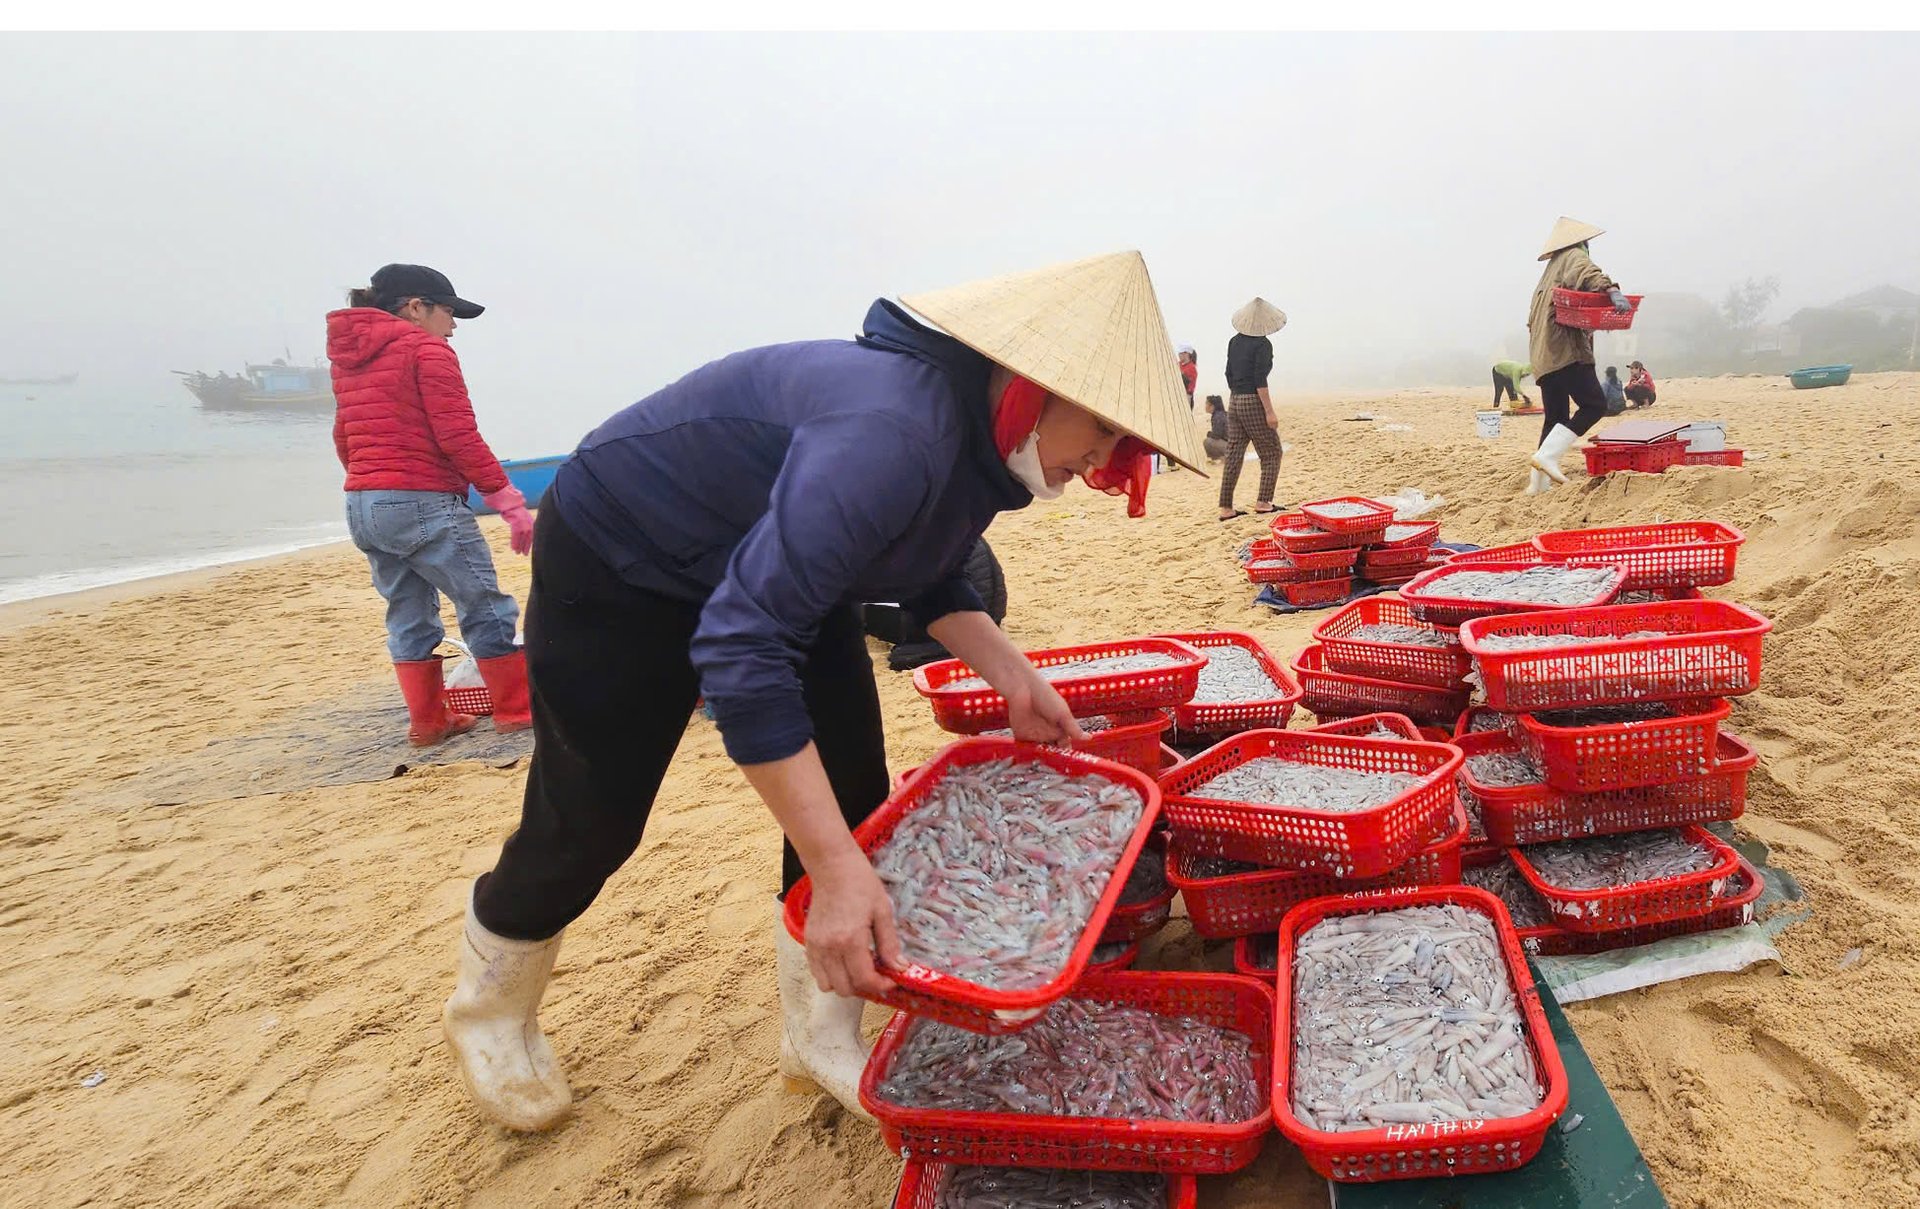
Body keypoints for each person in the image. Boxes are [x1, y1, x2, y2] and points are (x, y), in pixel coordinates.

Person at [440, 251, 1203, 1132]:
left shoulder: (981, 437)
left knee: (850, 798)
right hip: (628, 552)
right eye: (1101, 427)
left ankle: (815, 1033)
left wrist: (1016, 678)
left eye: (1123, 443)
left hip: (774, 564)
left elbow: (931, 568)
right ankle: (489, 1007)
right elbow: (743, 647)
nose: (1105, 458)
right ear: (1032, 384)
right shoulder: (892, 431)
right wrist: (837, 874)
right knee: (593, 817)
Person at [328, 264, 536, 745]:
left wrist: (374, 486)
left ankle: (427, 722)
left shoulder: (348, 359)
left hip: (362, 502)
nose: (454, 325)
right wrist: (505, 498)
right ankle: (515, 710)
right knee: (482, 602)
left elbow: (343, 436)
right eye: (448, 311)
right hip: (421, 498)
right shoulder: (427, 350)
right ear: (415, 307)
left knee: (407, 612)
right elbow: (457, 434)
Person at [1524, 217, 1634, 494]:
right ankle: (1548, 456)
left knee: (1556, 418)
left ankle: (1538, 483)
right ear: (1579, 242)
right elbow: (1587, 273)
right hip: (1565, 351)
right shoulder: (1572, 256)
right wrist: (1612, 290)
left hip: (1543, 358)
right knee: (1594, 404)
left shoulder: (1548, 273)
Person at [1218, 297, 1286, 520]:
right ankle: (1264, 501)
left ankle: (1226, 508)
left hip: (1235, 399)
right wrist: (1269, 411)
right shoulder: (1262, 345)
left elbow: (1228, 373)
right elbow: (1260, 379)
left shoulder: (1234, 342)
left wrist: (1237, 392)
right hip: (1253, 400)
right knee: (1272, 452)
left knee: (1234, 453)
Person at [1203, 393, 1230, 461]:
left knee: (1207, 442)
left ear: (1212, 406)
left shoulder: (1217, 416)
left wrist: (1209, 434)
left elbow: (1217, 435)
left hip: (1229, 446)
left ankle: (1219, 458)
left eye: (1207, 404)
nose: (1205, 406)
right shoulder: (1222, 414)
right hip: (1232, 444)